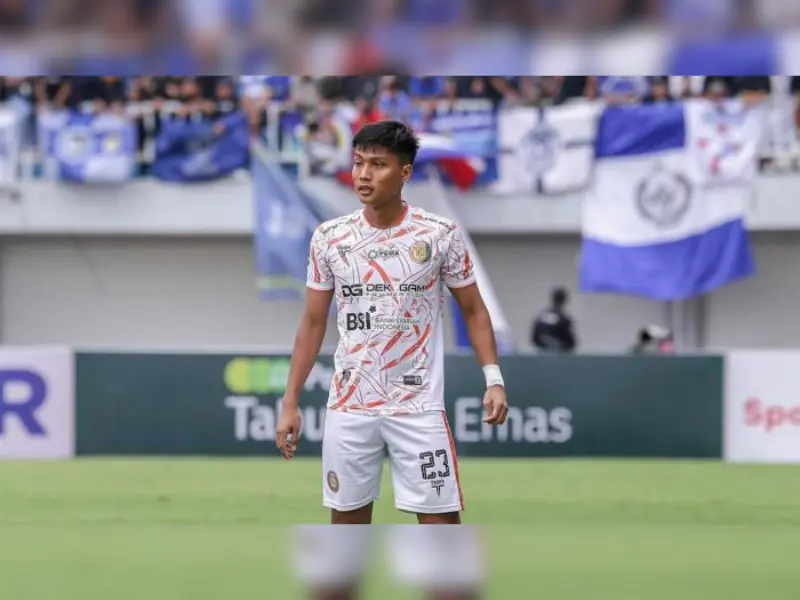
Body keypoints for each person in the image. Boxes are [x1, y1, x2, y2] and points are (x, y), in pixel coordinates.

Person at [277, 120, 508, 524]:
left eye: (378, 164)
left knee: (441, 531)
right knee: (346, 535)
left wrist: (494, 379)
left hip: (418, 408)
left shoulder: (439, 235)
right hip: (350, 408)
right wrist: (290, 402)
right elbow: (312, 323)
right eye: (359, 163)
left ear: (405, 172)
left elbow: (474, 310)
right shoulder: (330, 238)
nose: (364, 174)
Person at [531, 287, 577, 353]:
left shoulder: (541, 317)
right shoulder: (563, 319)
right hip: (558, 355)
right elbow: (570, 343)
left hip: (542, 354)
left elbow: (534, 338)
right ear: (564, 301)